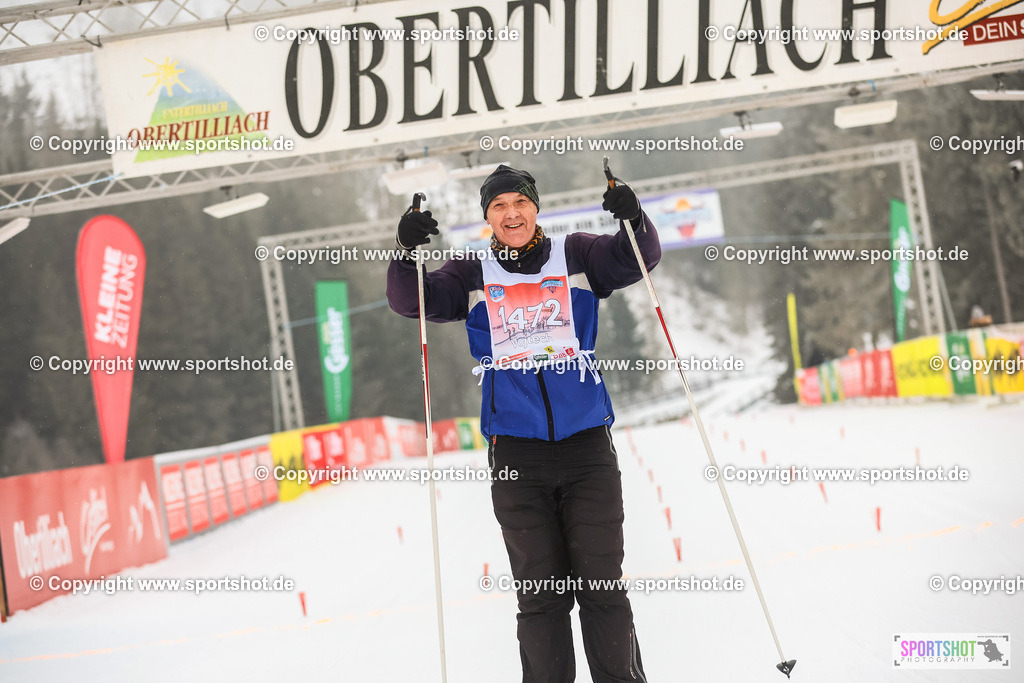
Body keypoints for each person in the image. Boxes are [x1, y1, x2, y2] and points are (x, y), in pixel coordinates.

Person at [386, 164, 660, 683]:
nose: (511, 214)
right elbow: (409, 301)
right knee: (541, 597)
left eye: (519, 203)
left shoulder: (575, 255)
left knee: (602, 587)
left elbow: (639, 258)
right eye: (498, 207)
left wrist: (634, 217)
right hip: (517, 456)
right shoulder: (469, 274)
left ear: (536, 208)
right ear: (487, 217)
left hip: (586, 450)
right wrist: (404, 252)